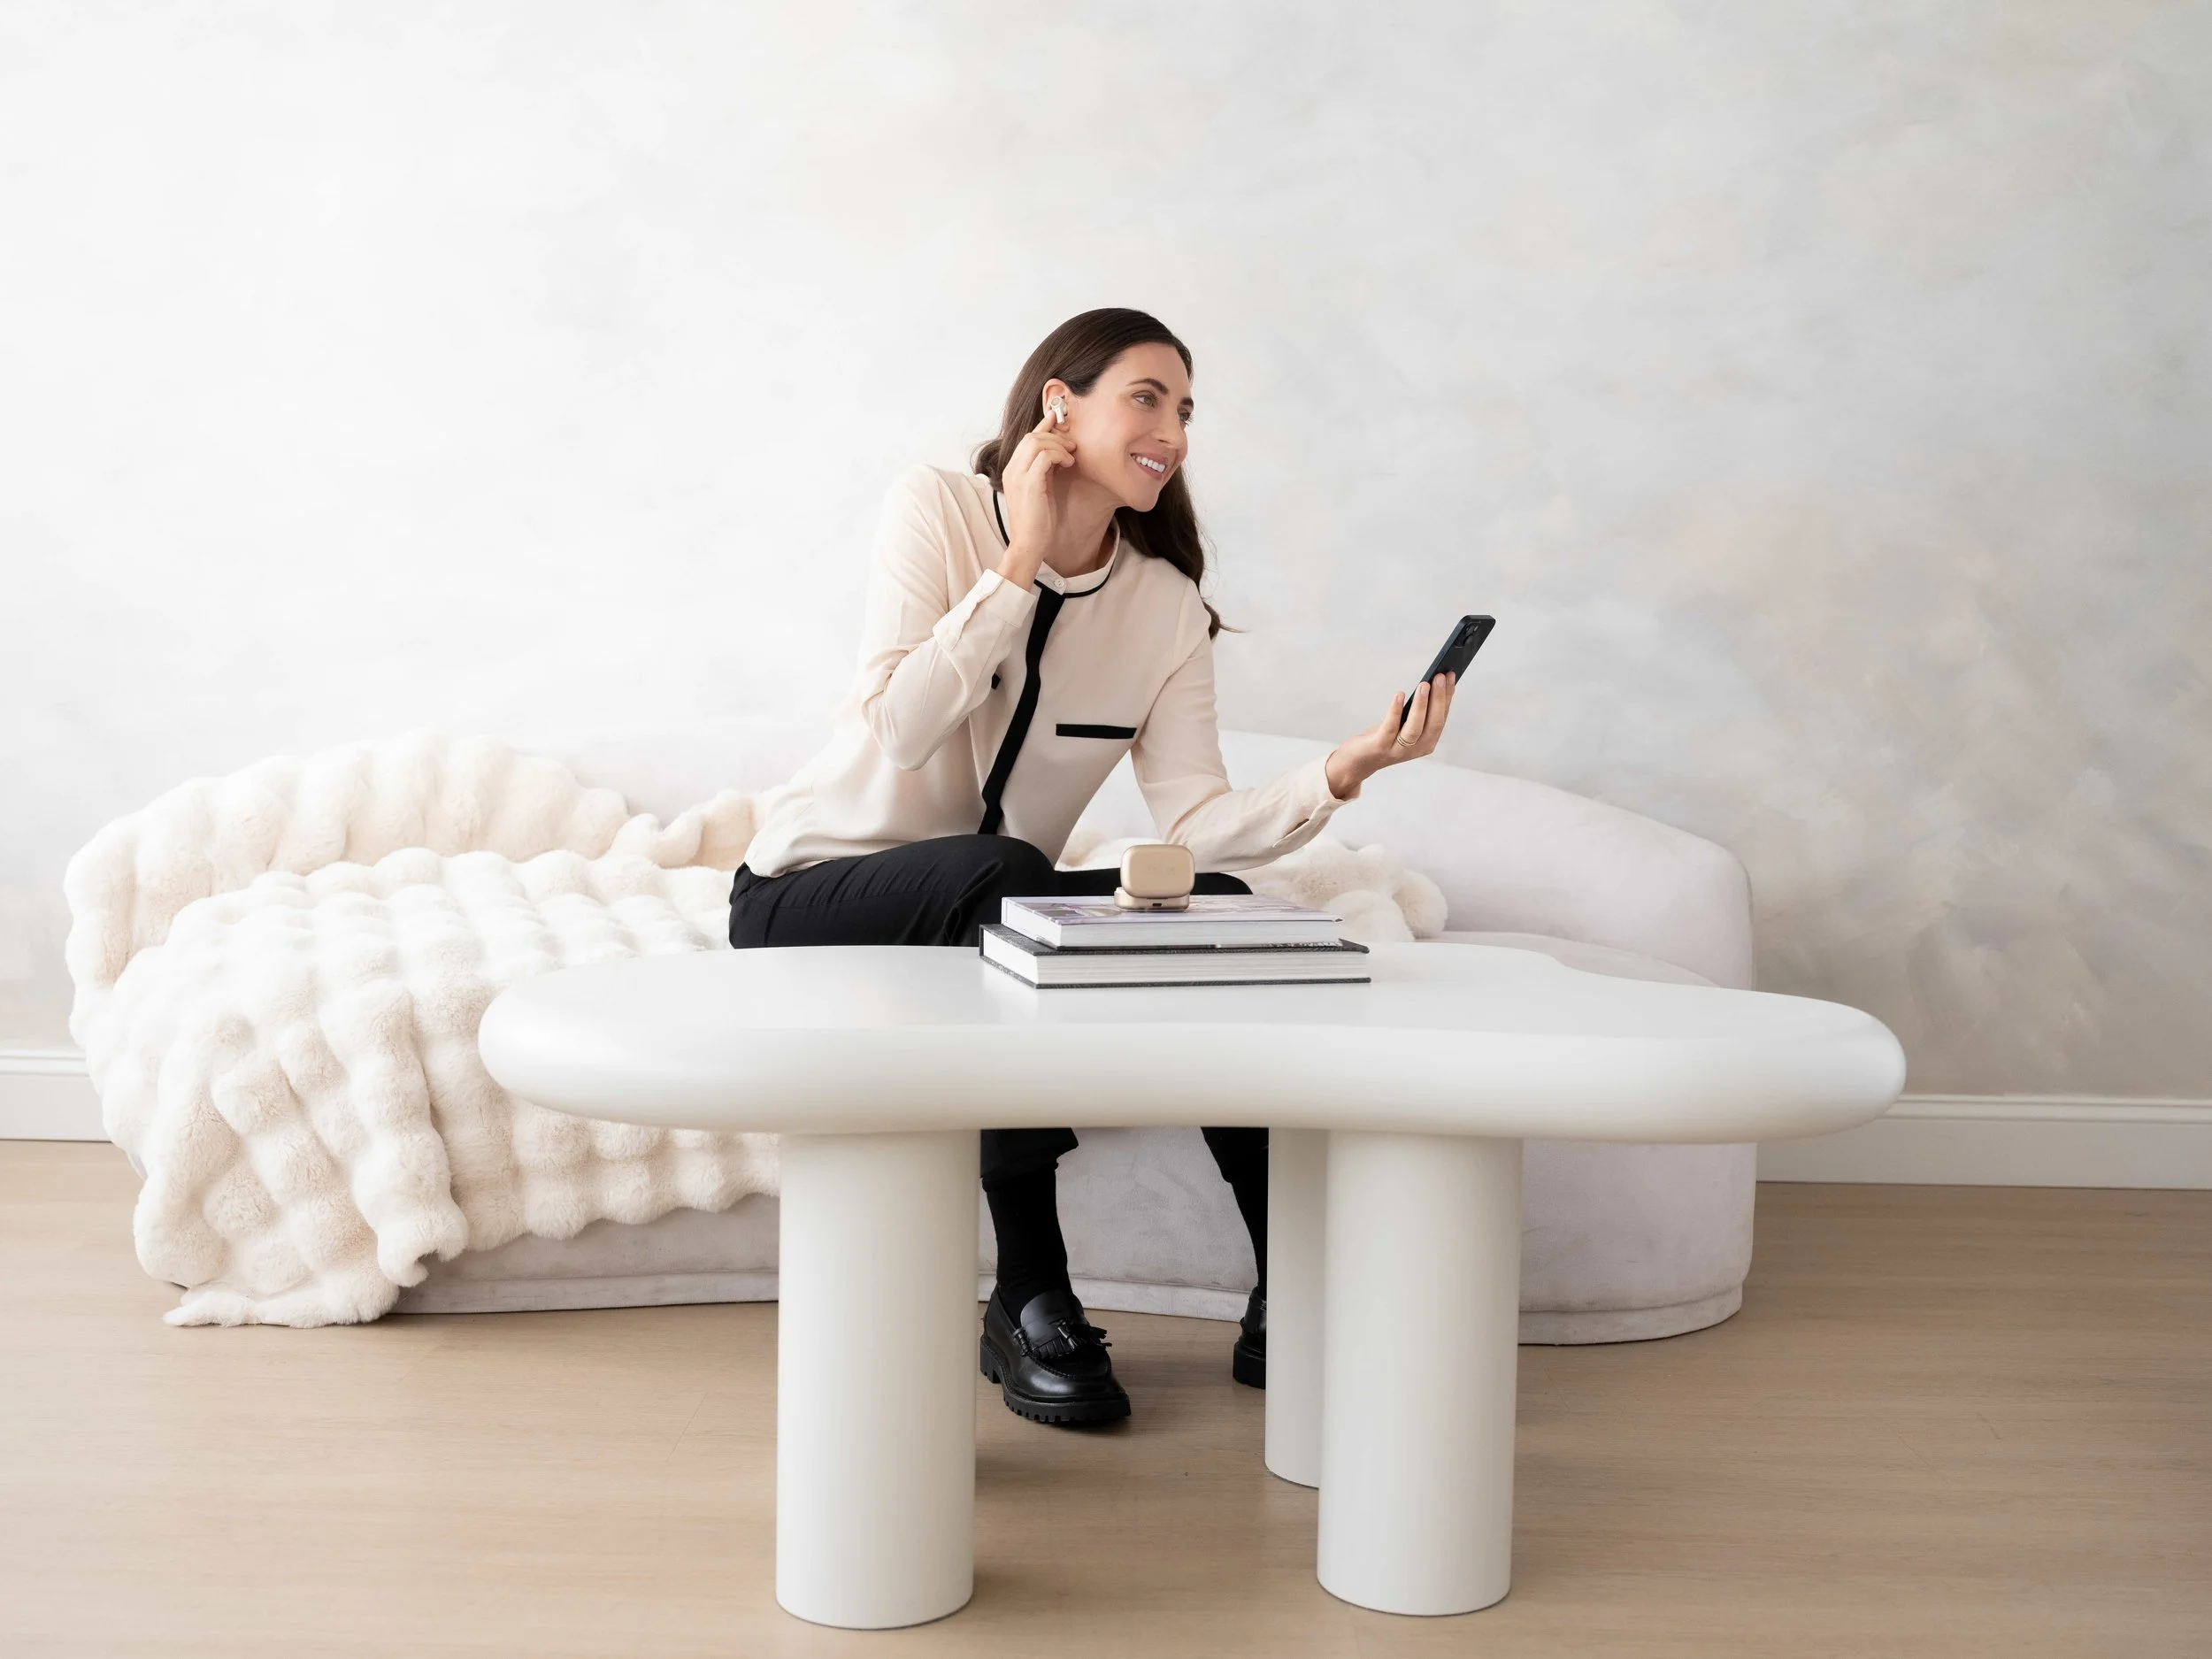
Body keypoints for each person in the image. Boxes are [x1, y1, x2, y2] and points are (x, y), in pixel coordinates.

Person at [729, 308, 1455, 1426]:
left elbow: (1199, 821)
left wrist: (1345, 769)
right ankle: (1027, 1291)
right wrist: (1016, 558)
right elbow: (903, 730)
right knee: (1004, 869)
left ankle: (1293, 1282)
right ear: (1059, 408)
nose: (1172, 430)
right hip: (814, 891)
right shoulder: (937, 507)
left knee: (1216, 908)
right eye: (1148, 397)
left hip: (988, 899)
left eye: (1186, 409)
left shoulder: (1163, 609)